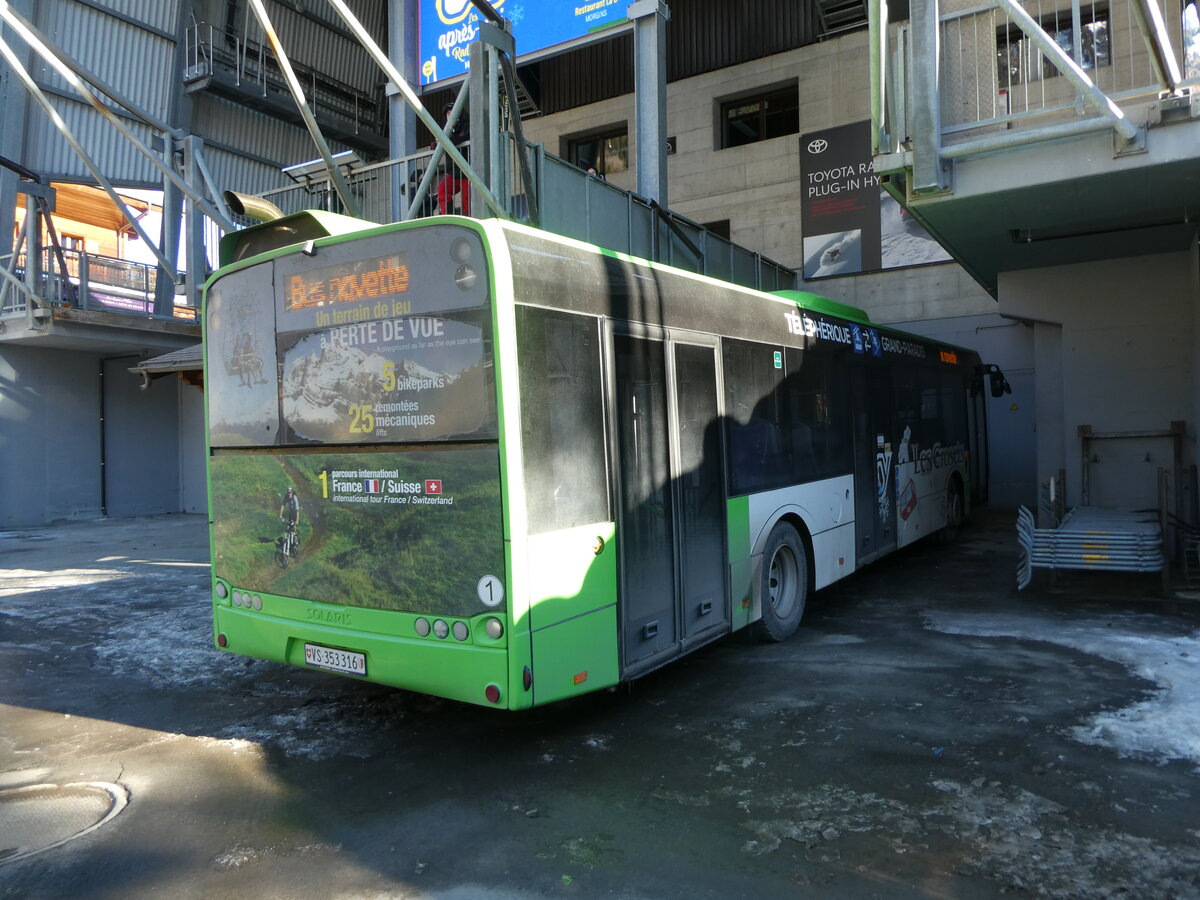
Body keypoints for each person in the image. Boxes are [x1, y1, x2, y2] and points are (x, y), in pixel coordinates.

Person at [435, 101, 470, 216]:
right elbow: (437, 144)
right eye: (447, 114)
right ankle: (447, 215)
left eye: (451, 112)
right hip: (454, 172)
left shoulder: (466, 125)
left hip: (467, 172)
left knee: (467, 201)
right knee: (442, 188)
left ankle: (469, 220)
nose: (450, 115)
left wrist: (448, 141)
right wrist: (436, 143)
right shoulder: (446, 131)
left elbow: (468, 136)